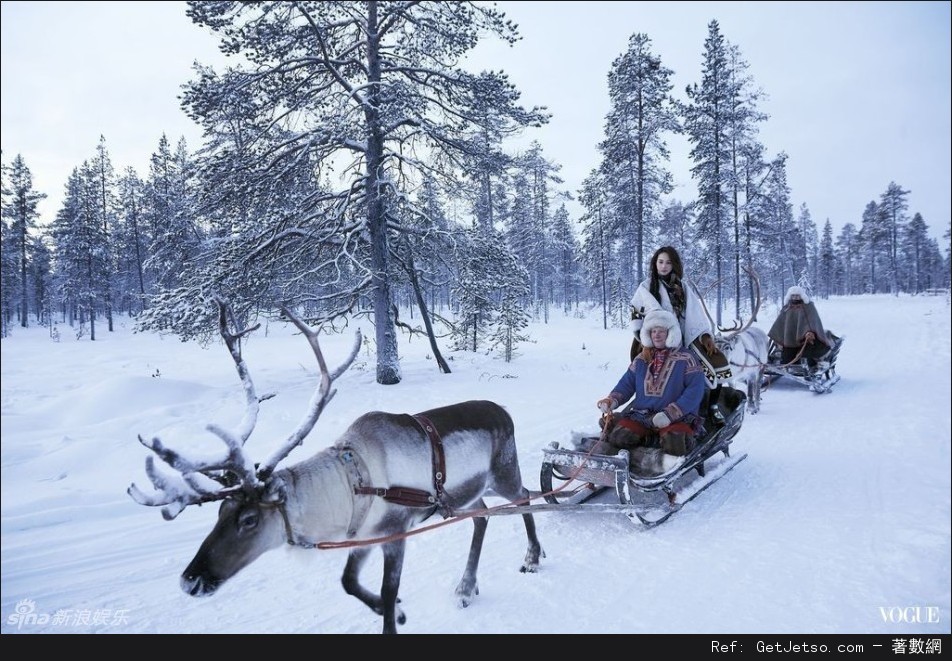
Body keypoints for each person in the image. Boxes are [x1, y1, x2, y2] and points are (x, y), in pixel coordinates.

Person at [594, 309, 708, 475]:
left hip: (677, 418)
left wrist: (670, 414)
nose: (657, 335)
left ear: (670, 333)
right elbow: (626, 384)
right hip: (642, 416)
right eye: (653, 331)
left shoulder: (687, 358)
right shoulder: (641, 359)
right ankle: (650, 441)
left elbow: (695, 391)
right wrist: (611, 401)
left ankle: (682, 448)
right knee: (619, 437)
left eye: (661, 331)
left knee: (674, 444)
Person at [628, 246, 730, 422]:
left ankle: (712, 407)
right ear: (655, 264)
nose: (664, 266)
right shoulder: (646, 287)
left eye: (668, 262)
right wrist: (644, 338)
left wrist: (705, 336)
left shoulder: (682, 287)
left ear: (674, 264)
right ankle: (651, 405)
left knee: (717, 361)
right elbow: (636, 313)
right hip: (653, 339)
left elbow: (695, 313)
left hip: (684, 338)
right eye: (660, 262)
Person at [768, 286, 835, 368]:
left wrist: (810, 332)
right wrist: (777, 333)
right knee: (786, 358)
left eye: (797, 295)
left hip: (806, 340)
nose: (795, 297)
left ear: (801, 296)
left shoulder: (808, 306)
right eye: (793, 295)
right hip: (789, 339)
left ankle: (812, 366)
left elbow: (813, 321)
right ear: (790, 296)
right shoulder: (787, 308)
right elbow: (780, 322)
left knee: (805, 359)